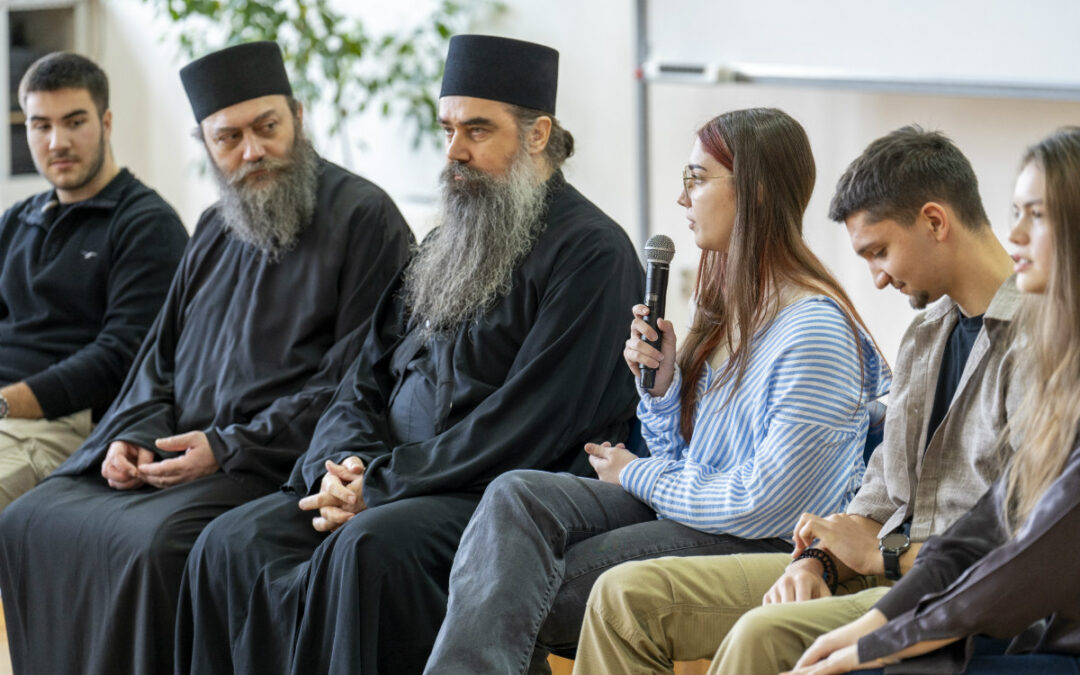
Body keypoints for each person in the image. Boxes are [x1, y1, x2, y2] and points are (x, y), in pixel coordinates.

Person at [175, 34, 644, 675]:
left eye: (477, 130)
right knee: (229, 542)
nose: (454, 151)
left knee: (368, 549)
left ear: (538, 135)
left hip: (491, 497)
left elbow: (534, 420)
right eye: (447, 129)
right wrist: (342, 467)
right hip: (391, 478)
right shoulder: (449, 239)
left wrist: (382, 485)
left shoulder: (593, 253)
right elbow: (362, 378)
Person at [425, 107, 891, 675]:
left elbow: (766, 503)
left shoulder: (814, 329)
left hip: (764, 542)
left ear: (757, 190)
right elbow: (686, 462)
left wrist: (636, 473)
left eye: (697, 179)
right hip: (705, 520)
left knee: (519, 586)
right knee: (515, 495)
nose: (681, 198)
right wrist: (665, 391)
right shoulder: (732, 311)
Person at [0, 41, 413, 675]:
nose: (252, 151)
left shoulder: (364, 217)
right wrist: (135, 436)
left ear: (297, 118)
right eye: (229, 138)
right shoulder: (216, 226)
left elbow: (355, 380)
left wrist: (226, 445)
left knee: (155, 547)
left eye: (267, 127)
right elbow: (156, 362)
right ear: (207, 144)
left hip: (270, 459)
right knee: (30, 518)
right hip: (179, 456)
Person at [571, 126, 1026, 675]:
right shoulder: (926, 336)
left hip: (949, 589)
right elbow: (880, 493)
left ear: (934, 221)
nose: (877, 280)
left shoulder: (1040, 344)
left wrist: (880, 554)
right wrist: (816, 562)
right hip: (871, 568)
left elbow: (1027, 539)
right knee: (621, 596)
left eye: (880, 252)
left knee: (761, 634)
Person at [782, 126, 1080, 675]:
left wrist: (884, 629)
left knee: (840, 656)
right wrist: (840, 582)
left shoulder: (1045, 349)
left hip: (1018, 622)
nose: (1013, 233)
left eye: (1036, 215)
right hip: (937, 584)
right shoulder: (929, 333)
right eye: (1016, 211)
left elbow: (1021, 556)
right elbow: (978, 532)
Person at [0, 52, 187, 509]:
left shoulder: (147, 225)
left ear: (106, 122)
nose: (57, 142)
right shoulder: (17, 220)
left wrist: (5, 403)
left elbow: (122, 357)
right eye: (41, 125)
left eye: (74, 122)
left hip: (64, 423)